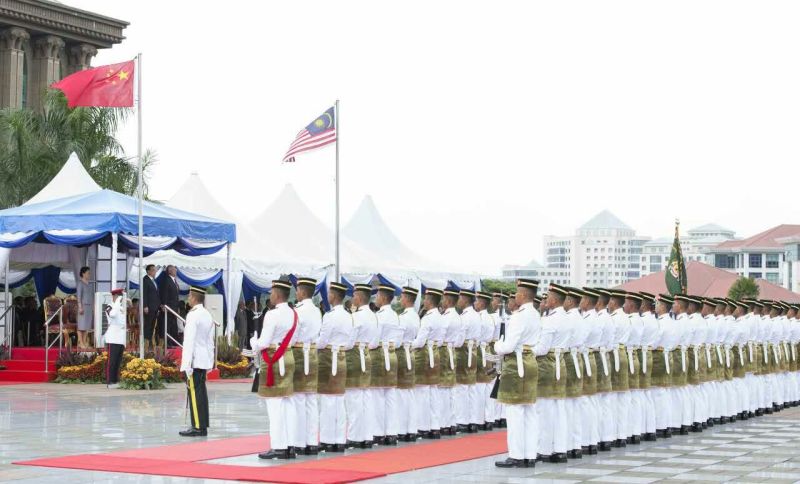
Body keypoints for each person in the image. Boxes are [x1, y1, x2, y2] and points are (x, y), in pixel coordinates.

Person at [494, 278, 542, 468]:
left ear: (522, 295)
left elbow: (508, 346)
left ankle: (516, 455)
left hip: (517, 364)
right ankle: (530, 454)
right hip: (530, 361)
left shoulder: (519, 316)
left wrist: (497, 345)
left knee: (514, 412)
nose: (515, 296)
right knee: (529, 411)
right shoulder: (535, 314)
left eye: (516, 293)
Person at [251, 280, 298, 459]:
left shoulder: (272, 315)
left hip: (273, 359)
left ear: (277, 295)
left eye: (271, 292)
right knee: (288, 403)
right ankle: (290, 445)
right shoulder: (294, 314)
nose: (270, 295)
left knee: (275, 405)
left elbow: (263, 343)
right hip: (287, 356)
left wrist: (253, 343)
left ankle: (278, 446)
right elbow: (293, 340)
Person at [317, 281, 353, 452]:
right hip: (341, 356)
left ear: (334, 296)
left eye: (330, 293)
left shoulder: (330, 316)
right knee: (339, 400)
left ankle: (327, 439)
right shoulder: (348, 316)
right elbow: (351, 342)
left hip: (328, 357)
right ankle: (339, 439)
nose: (328, 296)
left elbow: (322, 341)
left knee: (328, 401)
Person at [179, 286, 215, 437]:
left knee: (194, 393)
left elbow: (189, 341)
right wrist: (211, 360)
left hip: (194, 360)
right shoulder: (207, 314)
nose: (188, 299)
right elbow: (210, 341)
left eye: (189, 296)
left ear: (194, 297)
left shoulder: (193, 315)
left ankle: (198, 427)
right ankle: (202, 424)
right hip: (203, 358)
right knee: (201, 393)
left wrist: (186, 364)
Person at [291, 277, 322, 455]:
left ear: (302, 292)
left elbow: (293, 335)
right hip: (312, 353)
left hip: (299, 354)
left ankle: (299, 442)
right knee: (311, 400)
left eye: (297, 290)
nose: (296, 293)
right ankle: (312, 442)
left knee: (298, 400)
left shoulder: (298, 311)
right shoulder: (317, 311)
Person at [346, 284, 377, 449]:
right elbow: (374, 342)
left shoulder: (356, 316)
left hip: (355, 356)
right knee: (366, 398)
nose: (352, 299)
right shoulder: (372, 315)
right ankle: (367, 435)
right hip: (366, 353)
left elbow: (349, 342)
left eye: (354, 296)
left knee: (354, 399)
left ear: (358, 297)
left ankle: (354, 436)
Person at [412, 287, 444, 439]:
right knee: (433, 392)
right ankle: (435, 426)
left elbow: (419, 342)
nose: (423, 301)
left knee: (422, 393)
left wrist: (408, 345)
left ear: (429, 301)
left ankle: (423, 426)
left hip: (425, 354)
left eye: (425, 299)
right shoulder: (441, 317)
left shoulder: (427, 318)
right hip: (435, 353)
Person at [373, 285, 400, 445]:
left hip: (380, 355)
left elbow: (375, 340)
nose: (375, 298)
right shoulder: (396, 316)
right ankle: (391, 432)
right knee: (390, 396)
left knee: (378, 397)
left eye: (377, 296)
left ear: (383, 298)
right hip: (392, 354)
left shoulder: (380, 316)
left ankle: (379, 432)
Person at [397, 286, 420, 441]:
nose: (400, 300)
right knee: (410, 393)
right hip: (411, 353)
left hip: (402, 353)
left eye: (402, 297)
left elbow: (398, 340)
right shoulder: (415, 316)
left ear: (407, 299)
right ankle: (411, 428)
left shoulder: (404, 317)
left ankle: (402, 428)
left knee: (401, 394)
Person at [456, 289, 481, 433]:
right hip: (473, 350)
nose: (458, 301)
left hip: (464, 350)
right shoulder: (476, 315)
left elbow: (460, 339)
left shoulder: (465, 317)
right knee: (472, 387)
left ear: (465, 300)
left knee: (462, 388)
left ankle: (462, 420)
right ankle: (473, 421)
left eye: (460, 298)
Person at [439, 289, 462, 435]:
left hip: (443, 352)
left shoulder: (446, 317)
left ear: (448, 300)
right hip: (452, 350)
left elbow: (440, 339)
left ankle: (444, 423)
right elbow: (459, 341)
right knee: (451, 390)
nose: (442, 301)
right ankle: (451, 423)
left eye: (443, 299)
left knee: (442, 391)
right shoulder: (458, 317)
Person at [103, 288, 127, 388]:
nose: (120, 299)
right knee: (112, 361)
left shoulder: (120, 307)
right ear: (114, 296)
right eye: (118, 297)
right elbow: (112, 315)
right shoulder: (109, 307)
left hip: (120, 337)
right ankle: (109, 381)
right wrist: (117, 302)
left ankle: (115, 380)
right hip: (113, 337)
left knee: (118, 360)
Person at [158, 265, 180, 347]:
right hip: (168, 307)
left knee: (173, 325)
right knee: (167, 325)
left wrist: (177, 307)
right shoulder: (166, 280)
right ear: (169, 271)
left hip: (174, 307)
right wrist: (164, 305)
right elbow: (164, 294)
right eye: (174, 269)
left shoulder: (174, 281)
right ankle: (168, 343)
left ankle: (173, 342)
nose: (176, 271)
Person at [142, 264, 160, 347]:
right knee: (148, 325)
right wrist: (145, 306)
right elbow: (144, 294)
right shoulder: (145, 280)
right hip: (149, 307)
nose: (154, 271)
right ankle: (145, 343)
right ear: (148, 271)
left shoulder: (154, 280)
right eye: (153, 270)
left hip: (155, 307)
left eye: (155, 270)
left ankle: (149, 341)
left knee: (153, 325)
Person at [76, 266, 93, 350]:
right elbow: (78, 296)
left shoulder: (89, 284)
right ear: (83, 273)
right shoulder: (80, 283)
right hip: (82, 306)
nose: (89, 274)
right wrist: (80, 307)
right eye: (88, 273)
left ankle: (85, 342)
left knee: (86, 326)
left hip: (89, 307)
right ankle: (80, 342)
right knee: (81, 326)